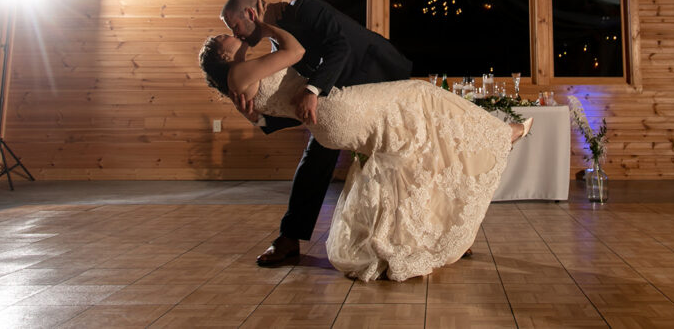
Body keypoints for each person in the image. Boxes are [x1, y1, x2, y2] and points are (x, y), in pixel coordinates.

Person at [199, 20, 532, 281]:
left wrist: (258, 120)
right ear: (222, 54)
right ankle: (500, 133)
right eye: (223, 35)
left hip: (325, 122)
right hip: (333, 106)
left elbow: (271, 116)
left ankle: (419, 238)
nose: (231, 33)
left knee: (403, 157)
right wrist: (264, 28)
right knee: (421, 94)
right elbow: (295, 51)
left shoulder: (241, 82)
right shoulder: (240, 73)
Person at [219, 0, 413, 267]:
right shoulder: (280, 49)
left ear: (251, 14)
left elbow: (341, 46)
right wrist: (258, 118)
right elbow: (295, 106)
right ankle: (289, 238)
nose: (237, 35)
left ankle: (436, 234)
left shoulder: (305, 8)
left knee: (403, 162)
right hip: (338, 101)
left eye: (235, 27)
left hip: (381, 77)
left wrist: (313, 89)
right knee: (315, 157)